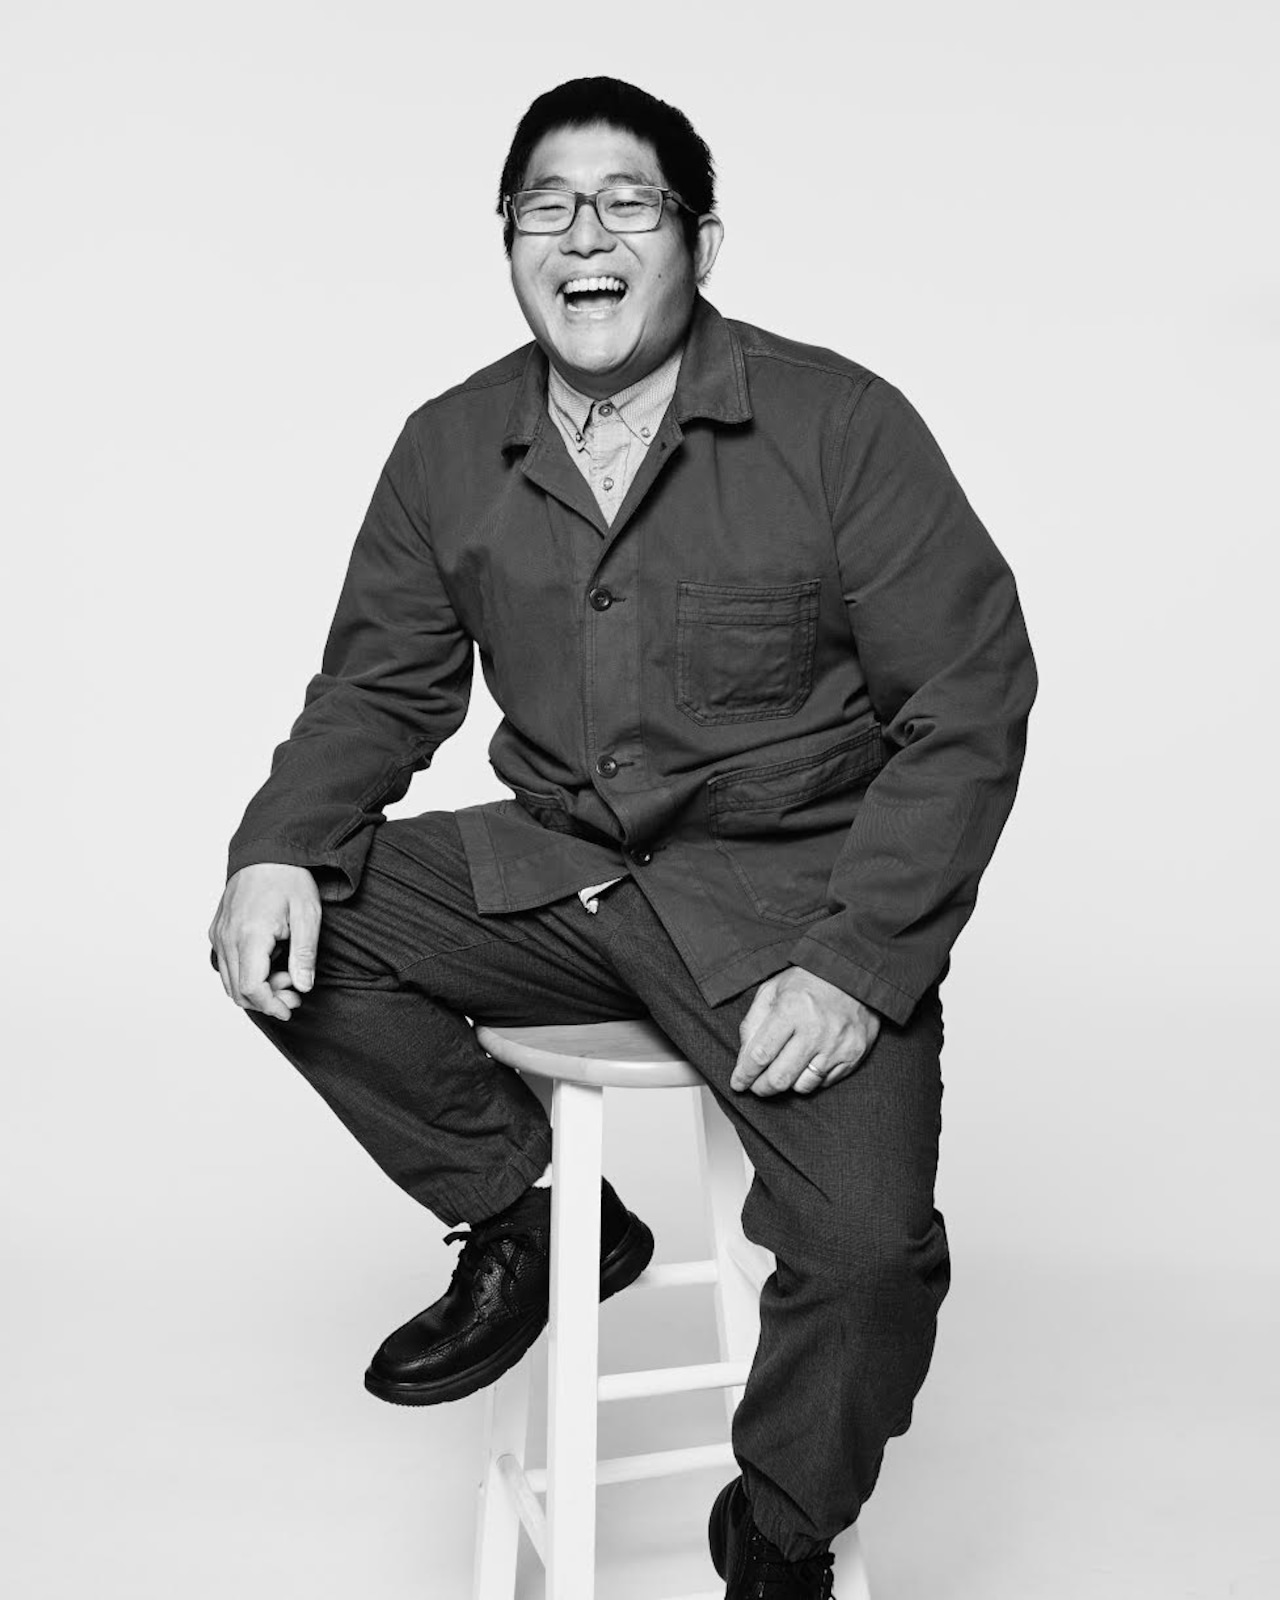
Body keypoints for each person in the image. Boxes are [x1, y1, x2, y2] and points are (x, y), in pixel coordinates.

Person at [208, 75, 1037, 1598]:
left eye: (627, 204)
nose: (583, 236)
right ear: (510, 242)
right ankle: (535, 1219)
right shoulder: (448, 444)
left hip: (790, 907)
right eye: (546, 207)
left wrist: (858, 963)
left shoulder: (838, 423)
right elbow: (377, 692)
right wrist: (274, 842)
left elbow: (970, 702)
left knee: (865, 1256)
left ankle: (780, 1529)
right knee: (290, 923)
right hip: (565, 869)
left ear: (699, 240)